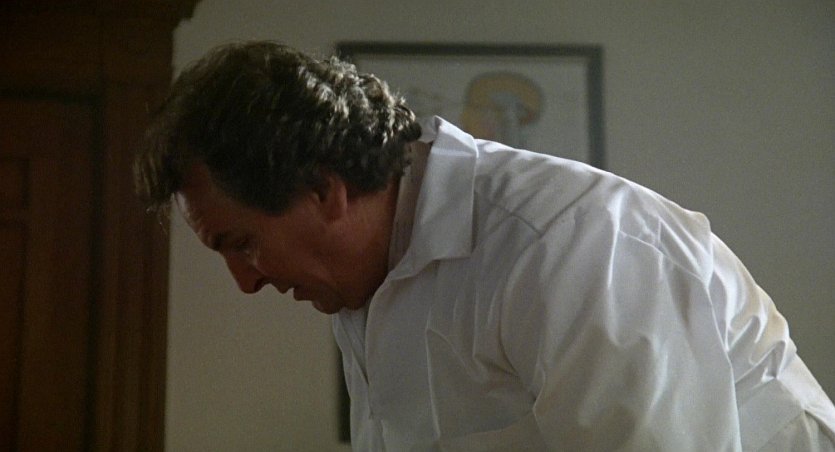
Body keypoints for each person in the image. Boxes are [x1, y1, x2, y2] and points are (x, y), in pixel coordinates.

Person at [134, 41, 835, 451]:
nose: (246, 281)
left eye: (243, 244)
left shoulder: (569, 243)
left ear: (324, 190)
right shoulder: (362, 279)